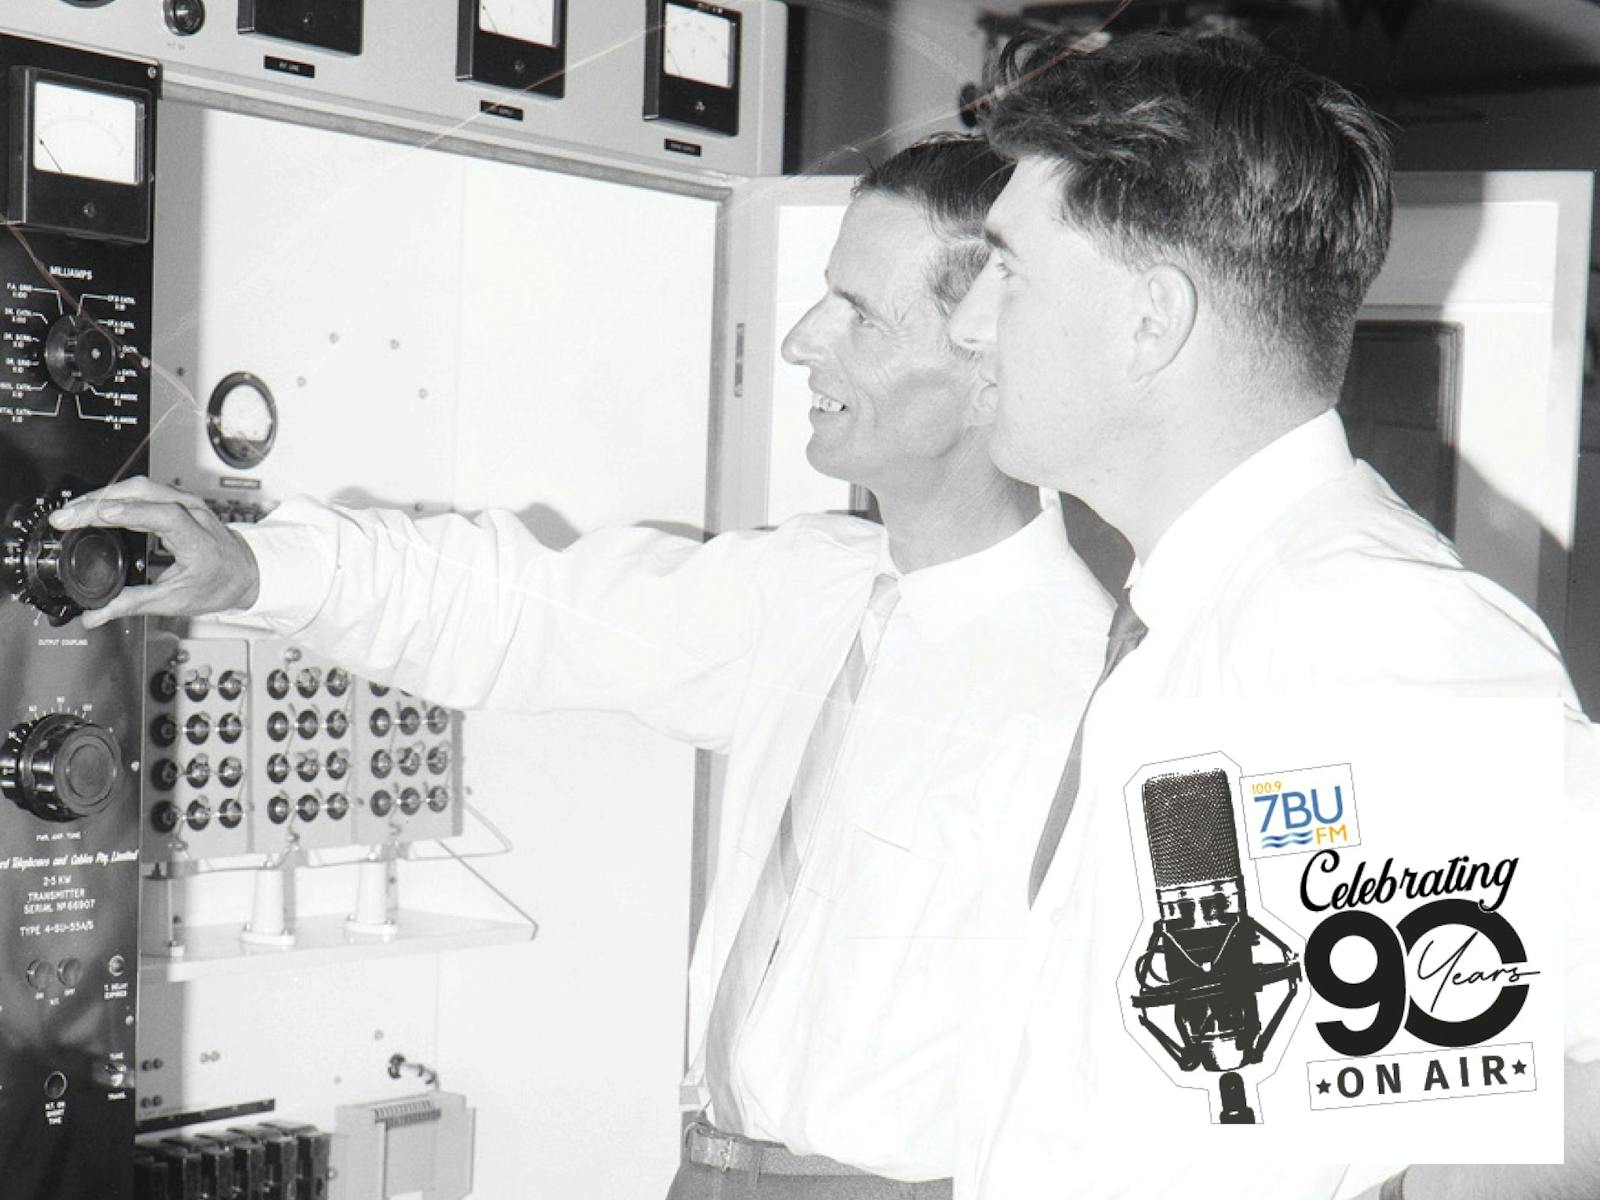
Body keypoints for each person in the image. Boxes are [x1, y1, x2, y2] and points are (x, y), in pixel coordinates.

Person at [56, 137, 1112, 1197]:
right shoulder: (811, 592)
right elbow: (521, 606)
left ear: (990, 366)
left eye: (858, 315)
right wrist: (252, 570)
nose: (801, 340)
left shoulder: (1088, 696)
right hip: (708, 1170)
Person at [947, 28, 1600, 1200]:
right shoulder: (1189, 620)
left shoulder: (1368, 636)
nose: (968, 324)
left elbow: (1552, 1104)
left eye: (1009, 271)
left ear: (1151, 321)